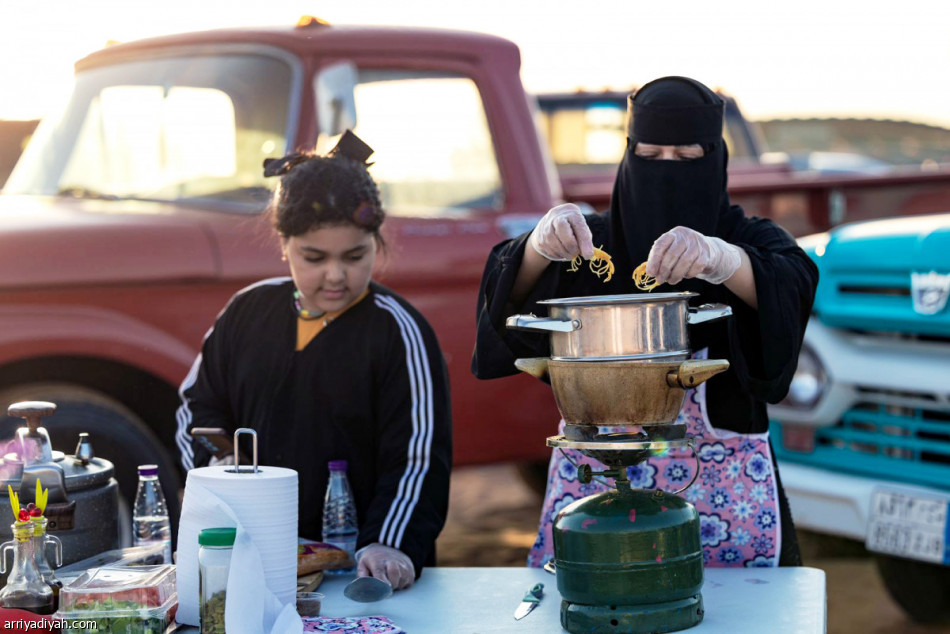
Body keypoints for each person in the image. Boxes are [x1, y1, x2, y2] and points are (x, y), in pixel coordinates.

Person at [473, 76, 818, 568]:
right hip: (595, 472)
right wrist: (535, 248)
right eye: (650, 156)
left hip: (727, 483)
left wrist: (722, 260)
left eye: (687, 157)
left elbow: (792, 280)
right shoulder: (590, 247)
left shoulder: (745, 237)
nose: (667, 171)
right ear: (628, 155)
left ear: (716, 158)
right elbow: (503, 306)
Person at [175, 131, 452, 589]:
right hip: (257, 565)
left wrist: (388, 541)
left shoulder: (399, 332)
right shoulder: (246, 311)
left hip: (362, 573)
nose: (336, 275)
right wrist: (215, 470)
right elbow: (195, 408)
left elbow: (418, 458)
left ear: (376, 244)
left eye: (355, 255)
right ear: (284, 244)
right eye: (314, 257)